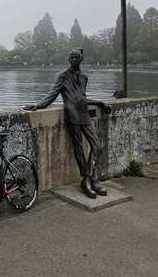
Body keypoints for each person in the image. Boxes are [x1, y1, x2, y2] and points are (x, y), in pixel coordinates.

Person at [23, 48, 112, 198]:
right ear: (68, 59)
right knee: (78, 149)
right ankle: (88, 180)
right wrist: (38, 105)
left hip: (84, 114)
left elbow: (82, 98)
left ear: (81, 59)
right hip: (72, 115)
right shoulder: (63, 76)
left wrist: (100, 102)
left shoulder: (84, 77)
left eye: (76, 58)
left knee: (97, 146)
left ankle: (89, 177)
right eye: (71, 58)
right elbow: (52, 95)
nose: (73, 60)